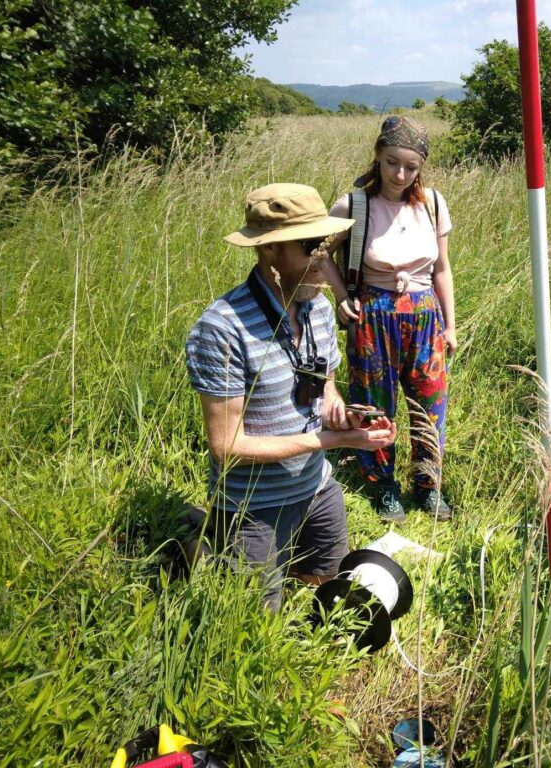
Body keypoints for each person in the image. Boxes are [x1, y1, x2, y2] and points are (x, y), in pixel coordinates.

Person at [185, 183, 397, 611]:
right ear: (269, 251)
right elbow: (227, 447)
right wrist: (331, 442)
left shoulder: (318, 307)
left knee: (327, 587)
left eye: (326, 244)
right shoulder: (222, 328)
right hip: (253, 502)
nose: (324, 260)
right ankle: (199, 541)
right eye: (309, 246)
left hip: (316, 485)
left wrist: (344, 418)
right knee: (256, 616)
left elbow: (326, 390)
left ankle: (257, 546)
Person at [320, 116, 456, 522]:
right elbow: (319, 252)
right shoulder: (353, 205)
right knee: (375, 406)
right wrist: (342, 296)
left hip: (424, 316)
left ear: (421, 167)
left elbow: (443, 269)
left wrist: (450, 324)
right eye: (392, 162)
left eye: (411, 167)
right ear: (377, 156)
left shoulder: (432, 203)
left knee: (430, 405)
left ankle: (428, 486)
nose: (400, 174)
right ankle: (383, 488)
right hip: (373, 317)